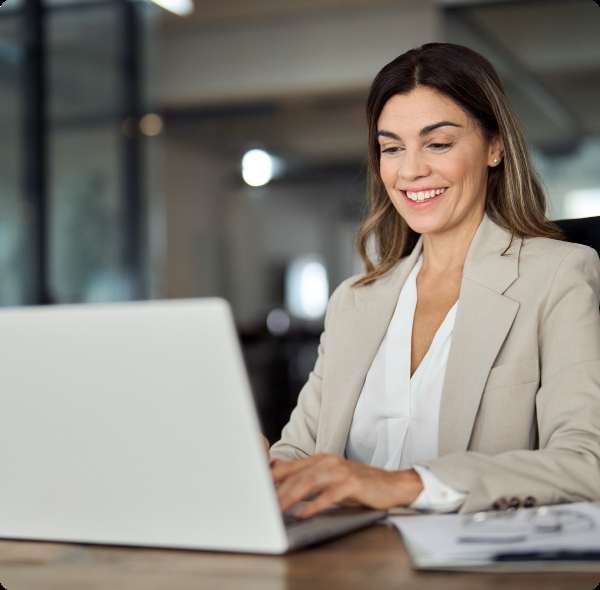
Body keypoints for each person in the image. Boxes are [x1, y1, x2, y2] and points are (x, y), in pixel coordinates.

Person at [267, 43, 600, 517]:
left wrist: (405, 485)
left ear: (494, 146)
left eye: (438, 143)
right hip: (345, 565)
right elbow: (300, 453)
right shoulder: (354, 301)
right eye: (391, 148)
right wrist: (265, 473)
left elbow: (586, 463)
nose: (410, 170)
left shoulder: (557, 276)